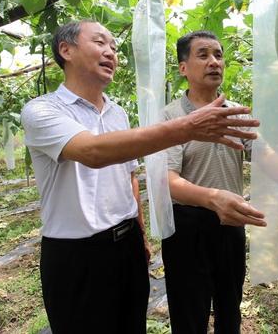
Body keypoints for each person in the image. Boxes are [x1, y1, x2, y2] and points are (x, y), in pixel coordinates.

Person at [20, 20, 259, 334]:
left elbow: (129, 177)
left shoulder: (117, 113)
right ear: (66, 50)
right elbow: (92, 152)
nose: (111, 53)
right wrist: (187, 128)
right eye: (100, 43)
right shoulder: (42, 111)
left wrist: (141, 234)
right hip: (76, 254)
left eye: (114, 48)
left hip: (127, 244)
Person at [162, 30, 278, 334]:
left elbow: (264, 154)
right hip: (187, 227)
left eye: (218, 54)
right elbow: (169, 182)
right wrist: (212, 198)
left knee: (230, 308)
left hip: (231, 221)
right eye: (203, 55)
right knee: (189, 314)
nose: (214, 61)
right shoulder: (171, 117)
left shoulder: (234, 111)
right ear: (183, 68)